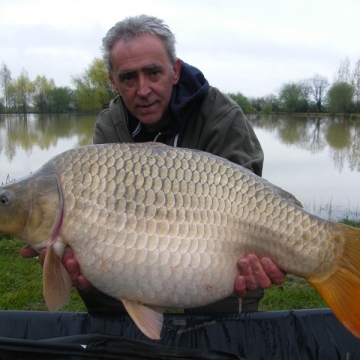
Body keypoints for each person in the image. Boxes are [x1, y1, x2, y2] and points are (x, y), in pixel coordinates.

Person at [21, 14, 285, 313]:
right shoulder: (110, 125)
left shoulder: (221, 117)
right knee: (93, 274)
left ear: (175, 71)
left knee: (231, 300)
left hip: (219, 245)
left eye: (153, 73)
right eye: (128, 77)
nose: (143, 89)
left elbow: (253, 204)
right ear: (114, 82)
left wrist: (262, 258)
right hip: (137, 246)